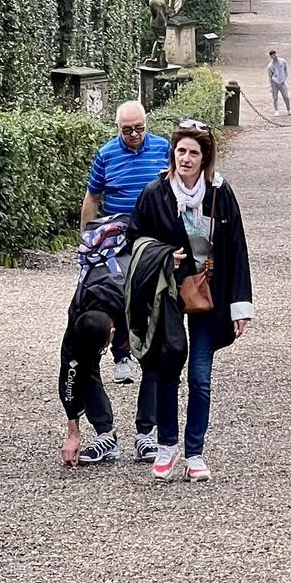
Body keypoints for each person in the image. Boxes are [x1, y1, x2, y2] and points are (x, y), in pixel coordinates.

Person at [126, 121, 253, 481]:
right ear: (173, 154)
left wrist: (240, 304)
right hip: (168, 291)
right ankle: (166, 446)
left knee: (200, 377)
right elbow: (134, 239)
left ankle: (195, 453)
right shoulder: (155, 192)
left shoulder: (220, 192)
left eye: (193, 152)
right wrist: (163, 255)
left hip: (211, 291)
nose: (185, 158)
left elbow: (237, 247)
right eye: (180, 151)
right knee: (168, 367)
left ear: (205, 157)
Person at [81, 101, 171, 382]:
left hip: (155, 231)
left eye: (139, 128)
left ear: (147, 124)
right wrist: (87, 240)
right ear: (117, 128)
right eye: (127, 129)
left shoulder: (163, 148)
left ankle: (155, 351)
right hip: (117, 234)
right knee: (120, 292)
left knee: (156, 292)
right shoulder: (106, 154)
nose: (133, 134)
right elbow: (92, 197)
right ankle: (122, 356)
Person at [58, 232, 126, 466]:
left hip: (126, 276)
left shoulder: (132, 301)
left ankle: (146, 434)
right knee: (83, 365)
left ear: (113, 333)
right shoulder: (76, 315)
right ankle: (106, 435)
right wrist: (73, 433)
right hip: (97, 294)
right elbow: (69, 372)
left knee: (155, 364)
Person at [266, 48, 291, 115]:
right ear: (271, 56)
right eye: (273, 55)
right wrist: (271, 86)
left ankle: (289, 110)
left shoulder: (282, 61)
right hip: (274, 83)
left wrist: (284, 78)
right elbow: (270, 76)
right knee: (275, 97)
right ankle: (276, 110)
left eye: (275, 54)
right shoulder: (270, 66)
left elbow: (285, 70)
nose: (275, 56)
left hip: (282, 82)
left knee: (286, 96)